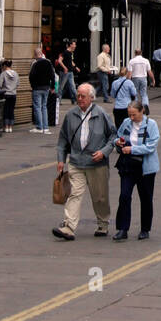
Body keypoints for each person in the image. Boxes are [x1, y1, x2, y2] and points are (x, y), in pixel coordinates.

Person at [52, 84, 118, 242]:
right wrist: (61, 160)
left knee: (100, 197)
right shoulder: (70, 115)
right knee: (74, 194)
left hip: (97, 164)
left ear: (91, 98)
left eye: (83, 96)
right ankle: (68, 227)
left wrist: (103, 152)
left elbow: (113, 136)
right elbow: (62, 140)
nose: (79, 99)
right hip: (76, 162)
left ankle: (103, 223)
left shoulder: (101, 114)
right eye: (78, 95)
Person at [113, 100, 161, 240]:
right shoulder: (126, 123)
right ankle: (122, 229)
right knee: (124, 196)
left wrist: (132, 149)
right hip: (128, 165)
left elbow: (151, 146)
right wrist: (118, 142)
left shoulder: (151, 125)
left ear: (142, 112)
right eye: (130, 115)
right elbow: (117, 137)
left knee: (146, 198)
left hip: (145, 167)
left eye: (134, 115)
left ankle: (145, 229)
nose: (132, 118)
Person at [29, 45, 57, 133]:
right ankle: (46, 127)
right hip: (46, 88)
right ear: (42, 54)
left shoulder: (35, 63)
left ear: (35, 55)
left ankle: (39, 127)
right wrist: (52, 87)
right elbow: (53, 75)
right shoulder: (48, 63)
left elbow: (31, 76)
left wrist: (32, 86)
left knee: (37, 107)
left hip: (37, 88)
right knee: (44, 107)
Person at [0, 59, 20, 132]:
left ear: (4, 66)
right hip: (13, 94)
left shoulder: (3, 74)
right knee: (11, 110)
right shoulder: (16, 74)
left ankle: (6, 126)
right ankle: (10, 127)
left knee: (5, 110)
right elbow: (17, 84)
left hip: (6, 94)